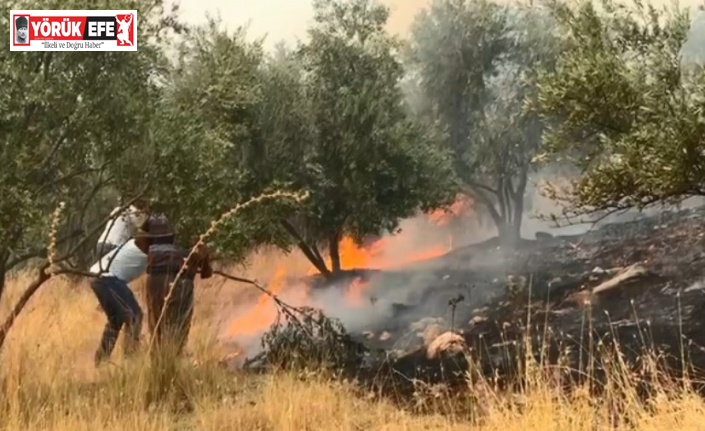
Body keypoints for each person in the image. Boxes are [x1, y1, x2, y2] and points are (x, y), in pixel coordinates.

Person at [137, 214, 212, 356]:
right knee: (177, 329)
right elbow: (206, 273)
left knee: (157, 329)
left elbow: (139, 240)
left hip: (154, 282)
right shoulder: (190, 253)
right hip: (179, 284)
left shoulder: (152, 252)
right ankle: (172, 363)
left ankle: (160, 367)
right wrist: (203, 253)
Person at [88, 237, 147, 366]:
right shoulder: (146, 246)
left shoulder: (134, 243)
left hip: (98, 276)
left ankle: (101, 361)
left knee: (116, 320)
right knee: (134, 317)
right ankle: (130, 360)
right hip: (106, 278)